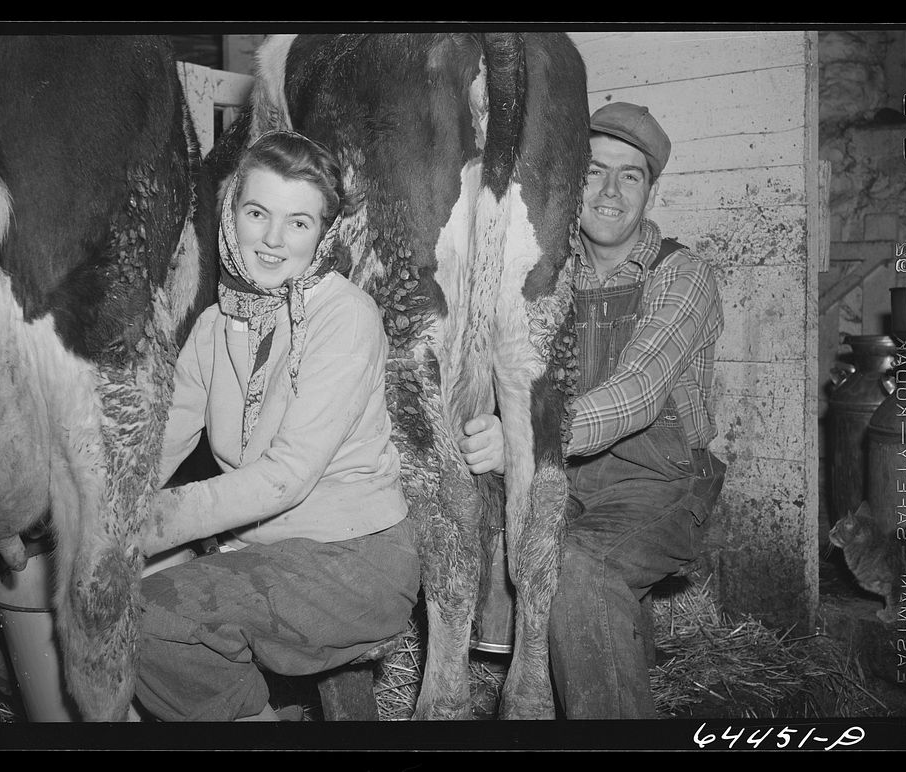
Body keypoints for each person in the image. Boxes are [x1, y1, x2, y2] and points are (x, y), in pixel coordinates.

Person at [134, 131, 420, 722]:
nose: (271, 239)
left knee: (148, 617)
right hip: (263, 551)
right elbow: (162, 442)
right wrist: (98, 507)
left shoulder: (345, 318)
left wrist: (147, 522)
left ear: (323, 235)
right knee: (117, 595)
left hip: (352, 562)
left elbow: (285, 478)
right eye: (257, 213)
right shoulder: (217, 324)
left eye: (298, 223)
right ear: (231, 213)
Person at [459, 102, 726, 719]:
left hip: (659, 488)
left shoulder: (683, 275)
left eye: (629, 175)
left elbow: (636, 393)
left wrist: (524, 437)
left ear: (650, 191)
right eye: (594, 171)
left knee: (577, 567)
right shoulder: (545, 274)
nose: (609, 191)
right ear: (570, 180)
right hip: (568, 477)